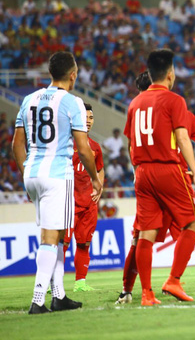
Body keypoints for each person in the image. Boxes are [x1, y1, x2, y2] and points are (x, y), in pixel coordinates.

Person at [116, 71, 195, 304]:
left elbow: (130, 145)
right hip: (174, 179)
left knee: (140, 238)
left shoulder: (137, 108)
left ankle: (130, 291)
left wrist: (138, 168)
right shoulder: (175, 109)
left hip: (147, 177)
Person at [12, 51, 103, 314]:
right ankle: (39, 299)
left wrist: (25, 173)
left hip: (33, 173)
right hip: (57, 176)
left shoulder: (29, 99)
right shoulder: (73, 102)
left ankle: (59, 296)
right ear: (73, 75)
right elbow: (84, 149)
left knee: (60, 235)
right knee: (51, 238)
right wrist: (96, 179)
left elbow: (17, 144)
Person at [123, 49, 195, 306]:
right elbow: (182, 137)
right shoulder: (174, 100)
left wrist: (138, 169)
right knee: (191, 224)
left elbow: (130, 143)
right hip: (167, 168)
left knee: (146, 233)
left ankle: (146, 294)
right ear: (170, 74)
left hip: (142, 172)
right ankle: (173, 280)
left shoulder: (135, 103)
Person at [62, 103, 105, 292]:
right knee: (61, 244)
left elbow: (100, 170)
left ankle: (80, 283)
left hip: (88, 204)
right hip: (68, 203)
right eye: (84, 118)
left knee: (83, 243)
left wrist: (99, 189)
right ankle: (51, 282)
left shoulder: (95, 147)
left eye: (91, 118)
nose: (88, 121)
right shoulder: (64, 144)